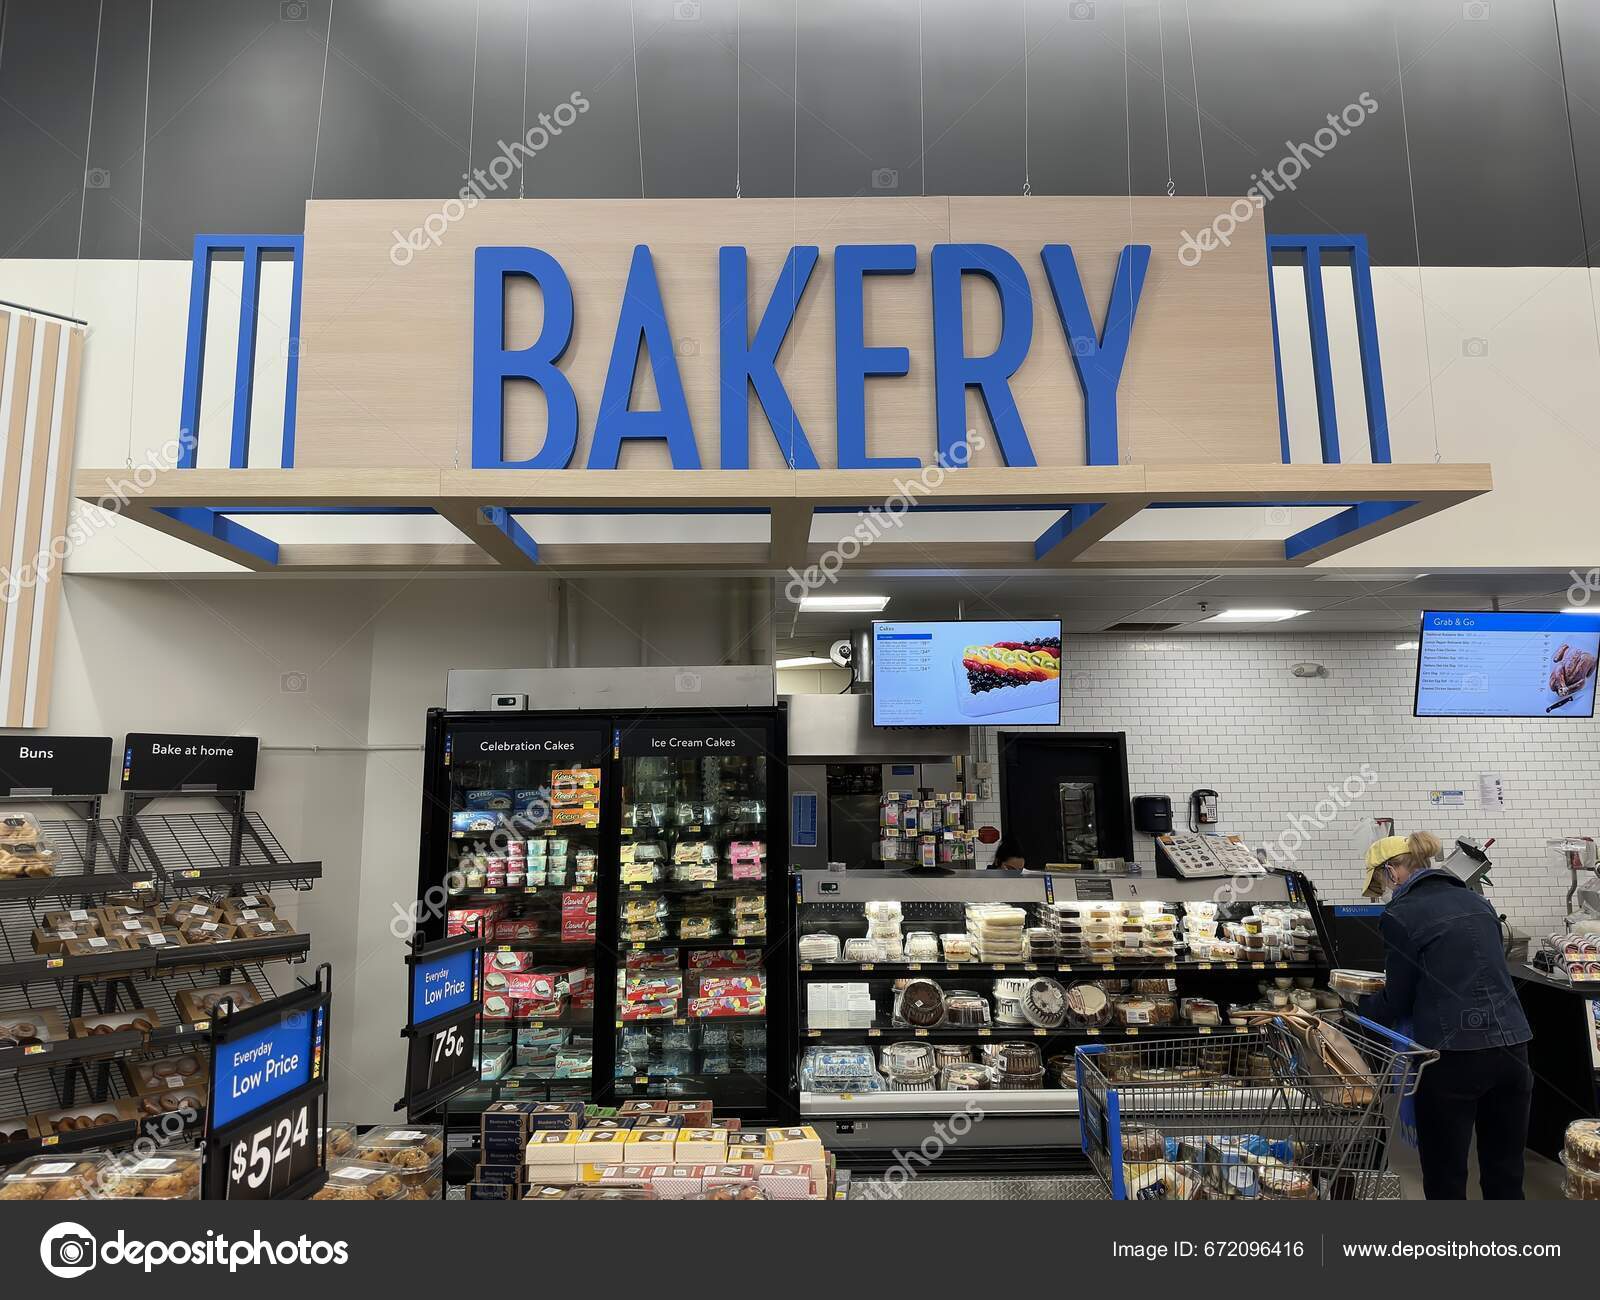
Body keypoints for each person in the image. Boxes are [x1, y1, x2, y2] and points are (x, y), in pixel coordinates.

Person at [1355, 831, 1533, 1200]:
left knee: (1445, 1174)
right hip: (1513, 1049)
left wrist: (1356, 1005)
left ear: (1392, 872)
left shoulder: (1400, 914)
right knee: (1506, 1172)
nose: (1384, 891)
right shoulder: (1477, 902)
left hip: (1452, 1057)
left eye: (1380, 882)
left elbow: (1398, 1001)